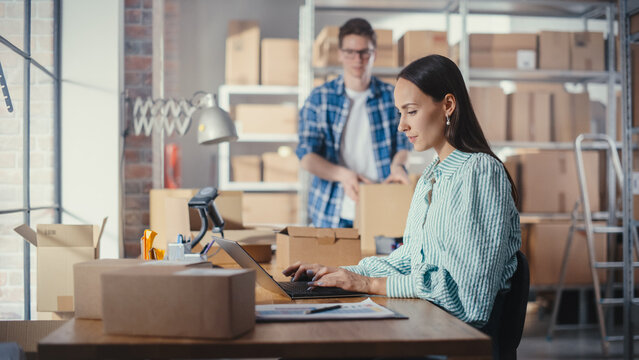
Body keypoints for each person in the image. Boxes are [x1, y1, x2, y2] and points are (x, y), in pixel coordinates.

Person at [284, 54, 522, 330]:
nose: (401, 125)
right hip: (428, 320)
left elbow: (467, 298)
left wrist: (369, 283)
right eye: (400, 112)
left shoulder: (479, 172)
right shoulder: (433, 174)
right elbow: (410, 258)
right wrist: (344, 272)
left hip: (455, 334)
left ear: (447, 105)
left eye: (411, 111)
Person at [296, 18, 411, 228]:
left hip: (382, 205)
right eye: (350, 52)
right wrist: (343, 175)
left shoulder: (390, 97)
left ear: (374, 53)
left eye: (364, 52)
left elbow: (404, 145)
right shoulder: (319, 98)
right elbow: (306, 156)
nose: (357, 59)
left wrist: (398, 166)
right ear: (340, 53)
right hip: (332, 211)